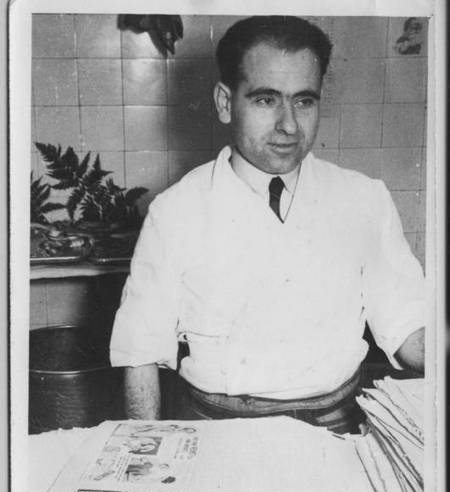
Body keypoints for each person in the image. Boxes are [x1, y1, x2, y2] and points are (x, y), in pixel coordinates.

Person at [110, 15, 425, 433]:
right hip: (217, 430)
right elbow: (141, 352)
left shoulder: (364, 199)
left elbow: (409, 327)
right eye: (265, 100)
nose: (289, 125)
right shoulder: (176, 211)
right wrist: (140, 450)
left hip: (339, 428)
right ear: (226, 103)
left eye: (304, 101)